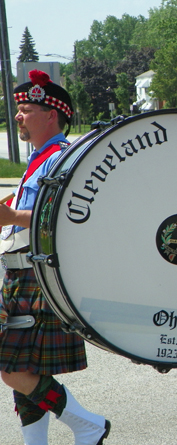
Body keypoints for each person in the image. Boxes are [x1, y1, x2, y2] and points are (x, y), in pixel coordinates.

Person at [0, 70, 110, 445]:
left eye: (26, 109)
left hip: (38, 276)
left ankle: (88, 423)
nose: (18, 116)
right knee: (24, 370)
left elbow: (63, 216)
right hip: (18, 274)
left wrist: (13, 217)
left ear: (52, 115)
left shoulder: (62, 157)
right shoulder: (39, 159)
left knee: (12, 370)